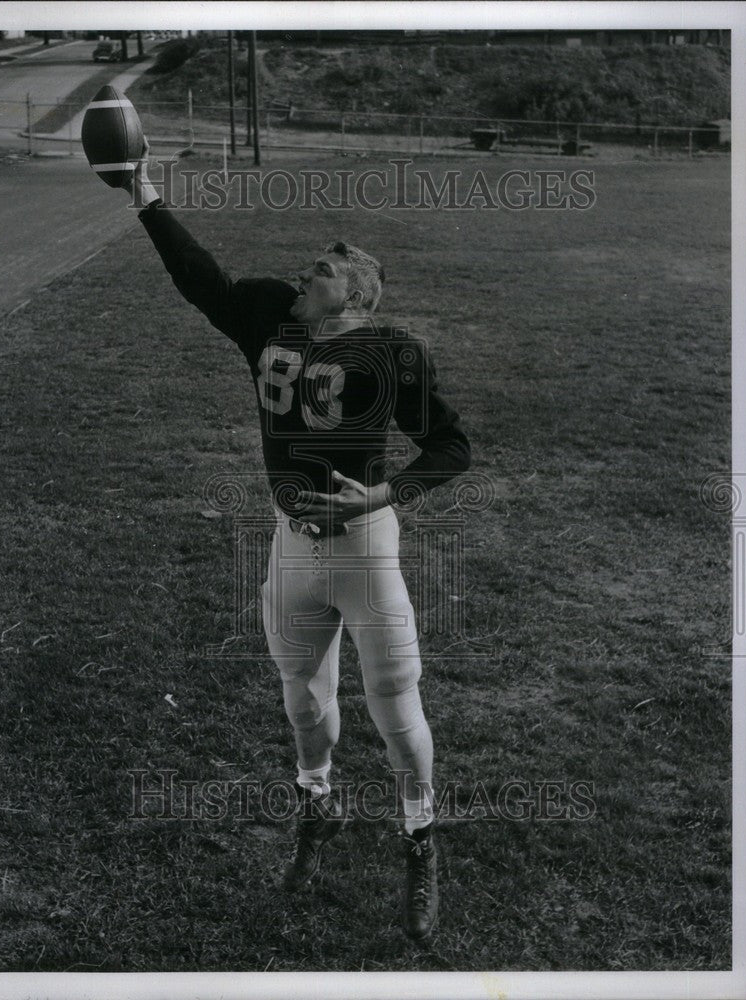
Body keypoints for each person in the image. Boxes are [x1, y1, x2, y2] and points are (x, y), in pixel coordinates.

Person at [125, 150, 470, 942]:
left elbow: (451, 445)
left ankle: (419, 839)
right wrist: (143, 192)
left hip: (362, 547)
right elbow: (199, 279)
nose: (302, 274)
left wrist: (385, 491)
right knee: (301, 704)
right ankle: (317, 813)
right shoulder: (270, 317)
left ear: (356, 296)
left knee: (393, 707)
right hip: (291, 545)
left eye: (321, 271)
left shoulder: (386, 351)